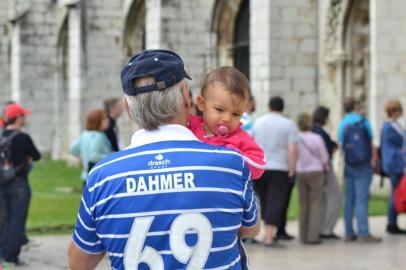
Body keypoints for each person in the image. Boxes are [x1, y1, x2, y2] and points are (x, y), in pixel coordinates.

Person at [67, 49, 260, 270]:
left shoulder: (102, 177)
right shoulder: (231, 164)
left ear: (129, 109)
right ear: (186, 97)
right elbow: (251, 229)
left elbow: (78, 263)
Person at [189, 66, 265, 180]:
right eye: (219, 110)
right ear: (201, 103)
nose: (227, 119)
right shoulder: (189, 128)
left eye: (236, 114)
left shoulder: (240, 138)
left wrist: (229, 153)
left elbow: (259, 165)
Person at [252, 96, 298, 247]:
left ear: (269, 106)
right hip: (279, 167)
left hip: (261, 166)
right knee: (276, 201)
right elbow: (292, 148)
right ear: (282, 107)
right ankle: (269, 236)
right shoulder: (288, 124)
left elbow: (251, 144)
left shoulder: (258, 122)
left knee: (264, 200)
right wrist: (292, 168)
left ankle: (266, 232)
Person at [0, 103, 41, 266]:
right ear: (17, 118)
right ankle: (11, 256)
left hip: (3, 182)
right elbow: (36, 155)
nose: (25, 118)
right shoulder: (22, 137)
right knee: (17, 220)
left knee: (5, 219)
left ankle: (3, 253)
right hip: (19, 183)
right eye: (23, 115)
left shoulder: (1, 134)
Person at [338, 97, 381, 243]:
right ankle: (363, 232)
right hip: (363, 163)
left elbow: (341, 145)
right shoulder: (364, 122)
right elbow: (372, 143)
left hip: (349, 163)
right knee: (362, 199)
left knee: (349, 199)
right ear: (355, 106)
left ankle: (349, 232)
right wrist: (374, 161)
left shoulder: (342, 123)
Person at [296, 113, 329, 244]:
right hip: (315, 171)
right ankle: (313, 236)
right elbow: (324, 157)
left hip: (301, 171)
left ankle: (303, 235)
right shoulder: (317, 138)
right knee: (315, 203)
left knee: (303, 204)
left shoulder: (296, 138)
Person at [312, 106, 341, 239]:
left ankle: (319, 227)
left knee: (321, 199)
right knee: (335, 196)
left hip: (311, 169)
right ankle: (327, 228)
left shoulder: (311, 129)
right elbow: (328, 148)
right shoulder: (322, 132)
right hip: (324, 167)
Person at [380, 100, 406, 234]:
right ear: (394, 111)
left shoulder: (395, 125)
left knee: (396, 192)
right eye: (399, 110)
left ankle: (393, 222)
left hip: (396, 163)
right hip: (395, 164)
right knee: (396, 193)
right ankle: (392, 223)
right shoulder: (389, 127)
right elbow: (400, 143)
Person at [70, 109, 112, 184]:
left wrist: (82, 157)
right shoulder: (98, 136)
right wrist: (112, 156)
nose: (108, 120)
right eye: (105, 118)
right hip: (98, 176)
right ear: (97, 121)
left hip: (86, 175)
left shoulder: (85, 134)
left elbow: (72, 149)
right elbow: (93, 156)